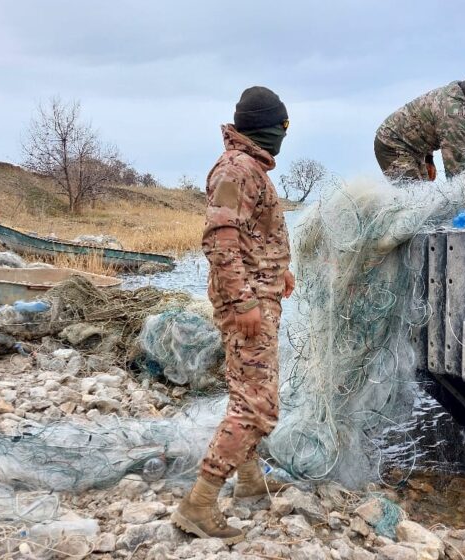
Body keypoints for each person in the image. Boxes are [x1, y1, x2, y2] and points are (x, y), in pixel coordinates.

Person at [171, 86, 295, 544]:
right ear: (266, 126)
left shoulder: (248, 168)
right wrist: (243, 300)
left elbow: (248, 235)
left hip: (258, 295)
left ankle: (249, 479)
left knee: (247, 391)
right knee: (259, 405)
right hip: (248, 305)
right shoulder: (237, 169)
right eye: (283, 126)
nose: (285, 134)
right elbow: (219, 236)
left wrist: (279, 270)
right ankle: (199, 503)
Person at [374, 77, 465, 182]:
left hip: (412, 147)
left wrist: (429, 158)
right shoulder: (456, 116)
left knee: (424, 196)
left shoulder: (460, 93)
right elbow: (456, 170)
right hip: (391, 144)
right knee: (415, 199)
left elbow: (428, 121)